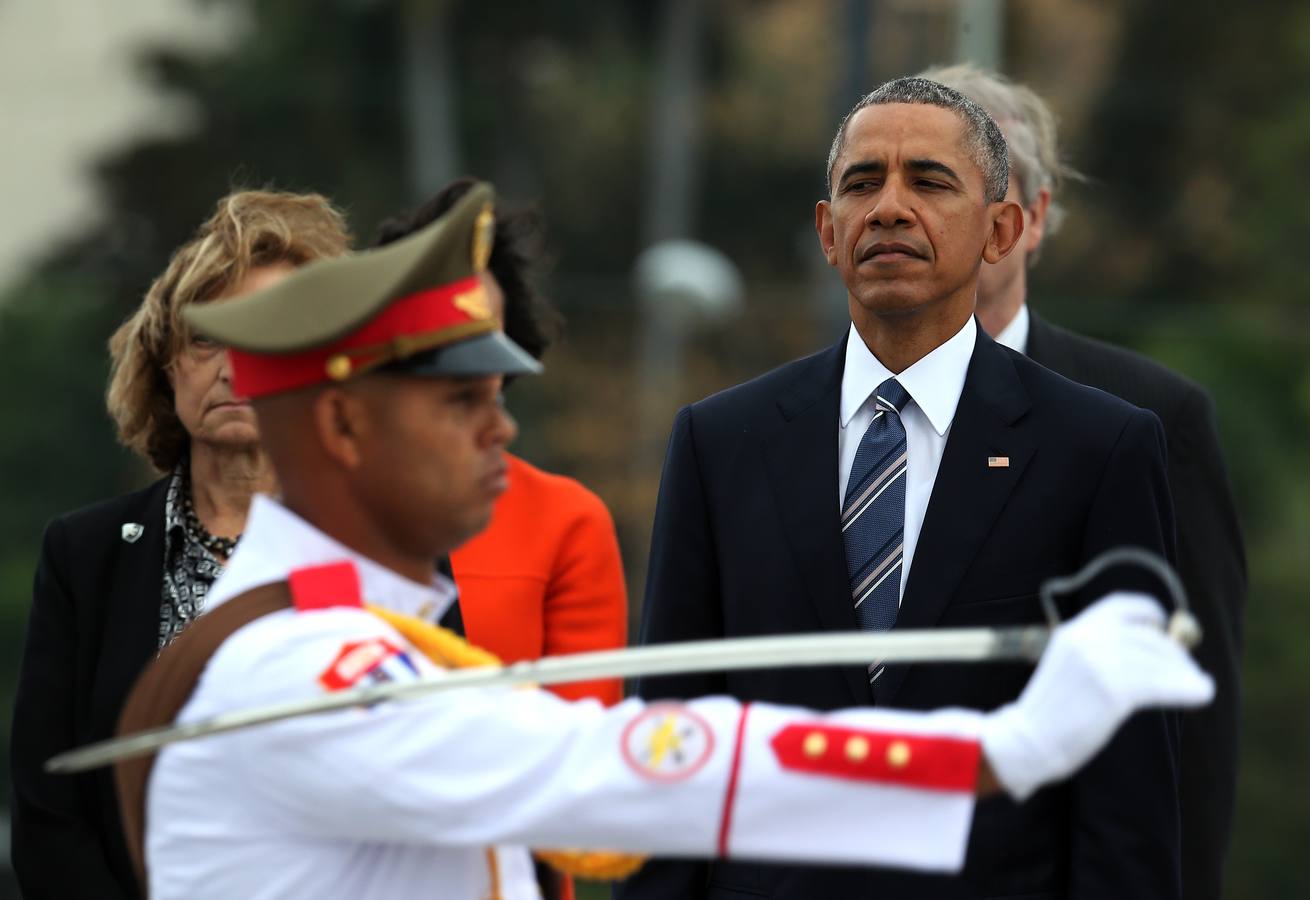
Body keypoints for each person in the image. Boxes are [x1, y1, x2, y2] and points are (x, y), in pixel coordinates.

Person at [108, 182, 1212, 900]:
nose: (501, 427)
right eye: (457, 405)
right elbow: (633, 769)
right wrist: (1001, 751)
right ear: (342, 425)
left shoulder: (347, 637)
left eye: (499, 394)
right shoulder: (311, 670)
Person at [620, 77, 1188, 900]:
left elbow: (1127, 778)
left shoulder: (1098, 448)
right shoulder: (719, 442)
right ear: (827, 231)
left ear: (1003, 230)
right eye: (861, 183)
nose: (888, 207)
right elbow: (673, 734)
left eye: (928, 181)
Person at [922, 63, 1246, 900]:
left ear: (1028, 219)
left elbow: (1188, 725)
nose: (918, 210)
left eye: (953, 183)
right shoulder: (779, 424)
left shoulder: (1150, 417)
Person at [9, 190, 350, 899]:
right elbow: (48, 807)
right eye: (205, 338)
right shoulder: (87, 553)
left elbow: (425, 782)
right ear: (167, 365)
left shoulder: (382, 552)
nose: (234, 366)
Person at [376, 178, 627, 707]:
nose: (462, 356)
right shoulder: (316, 504)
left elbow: (578, 741)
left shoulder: (564, 519)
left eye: (482, 333)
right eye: (436, 328)